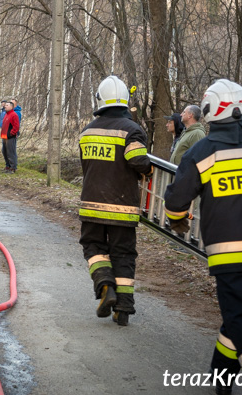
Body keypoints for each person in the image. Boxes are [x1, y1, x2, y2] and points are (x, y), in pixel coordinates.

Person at [164, 80, 242, 394]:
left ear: (208, 111)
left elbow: (176, 202)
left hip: (230, 256)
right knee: (241, 315)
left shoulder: (204, 150)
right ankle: (221, 377)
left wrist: (178, 224)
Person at [78, 75, 152, 326]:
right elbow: (139, 161)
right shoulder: (132, 130)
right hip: (123, 207)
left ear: (101, 100)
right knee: (123, 254)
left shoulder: (87, 130)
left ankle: (104, 284)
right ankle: (124, 308)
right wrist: (150, 172)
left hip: (91, 204)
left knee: (94, 247)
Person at [0, 101, 20, 173]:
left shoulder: (14, 115)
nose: (5, 106)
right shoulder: (6, 114)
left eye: (7, 105)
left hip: (10, 137)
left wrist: (11, 134)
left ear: (11, 107)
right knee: (4, 152)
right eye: (5, 105)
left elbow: (16, 126)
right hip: (4, 137)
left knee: (11, 152)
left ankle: (13, 168)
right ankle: (8, 166)